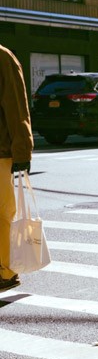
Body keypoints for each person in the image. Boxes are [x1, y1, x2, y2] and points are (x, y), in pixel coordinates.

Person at [0, 45, 34, 291]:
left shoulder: (3, 57)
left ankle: (7, 271)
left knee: (3, 216)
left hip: (1, 153)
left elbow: (17, 107)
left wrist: (22, 152)